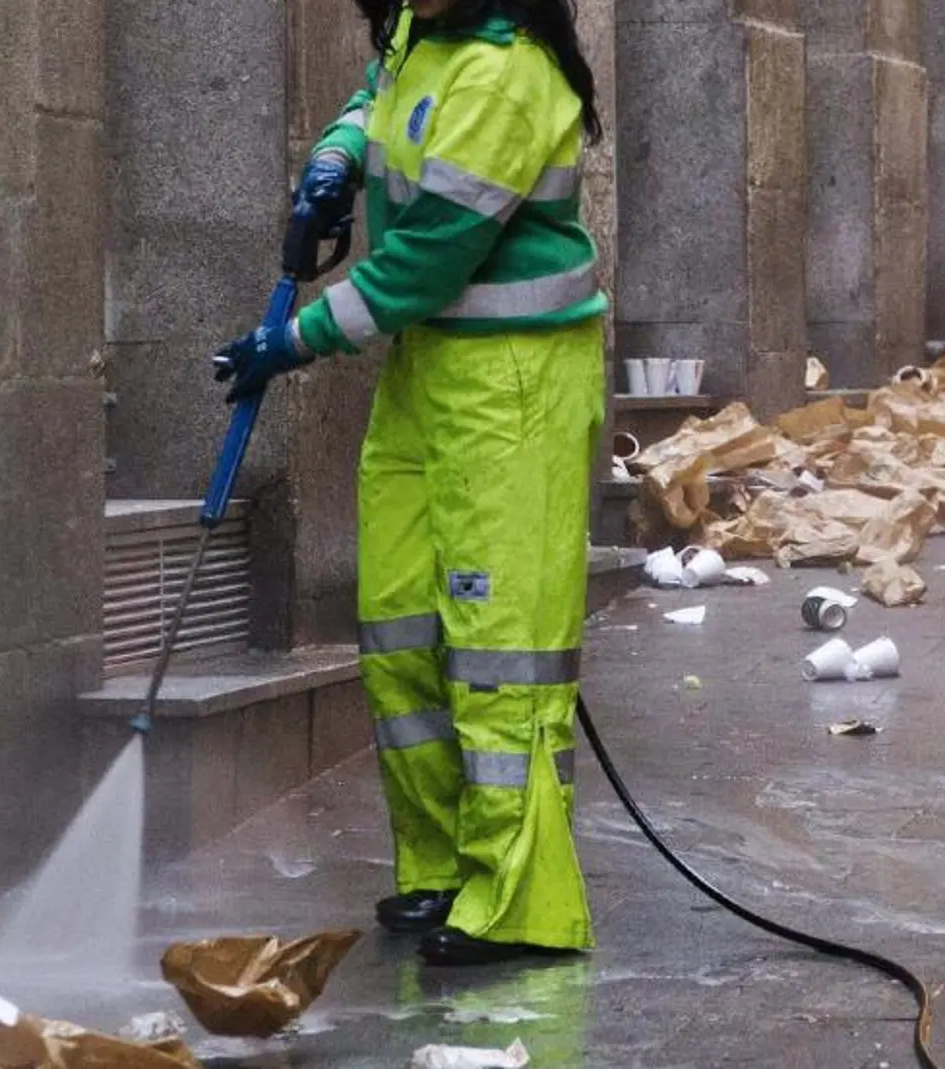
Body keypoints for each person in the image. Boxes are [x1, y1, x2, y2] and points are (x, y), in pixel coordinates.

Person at [212, 0, 608, 967]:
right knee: (400, 622)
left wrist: (290, 340)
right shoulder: (419, 33)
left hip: (511, 383)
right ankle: (441, 866)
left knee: (495, 646)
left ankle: (519, 899)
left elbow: (425, 258)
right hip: (428, 374)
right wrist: (340, 154)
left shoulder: (509, 77)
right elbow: (382, 94)